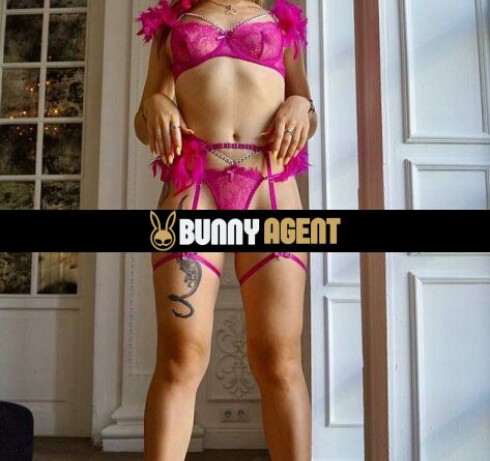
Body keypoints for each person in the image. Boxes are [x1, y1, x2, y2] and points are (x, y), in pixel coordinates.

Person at [134, 0, 318, 459]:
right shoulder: (172, 26)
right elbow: (144, 122)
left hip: (269, 189)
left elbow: (306, 112)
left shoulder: (281, 23)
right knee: (180, 355)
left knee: (279, 359)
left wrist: (301, 104)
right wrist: (154, 103)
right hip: (195, 188)